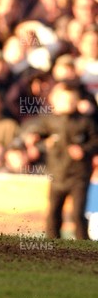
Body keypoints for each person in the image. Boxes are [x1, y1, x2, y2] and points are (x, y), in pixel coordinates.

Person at [26, 82, 98, 239]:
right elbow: (35, 137)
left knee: (77, 213)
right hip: (57, 174)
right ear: (55, 102)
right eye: (64, 101)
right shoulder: (49, 120)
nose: (68, 104)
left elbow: (95, 142)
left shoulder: (86, 121)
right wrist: (42, 144)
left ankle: (82, 245)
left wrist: (84, 150)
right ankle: (53, 243)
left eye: (72, 101)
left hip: (79, 176)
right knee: (53, 212)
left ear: (77, 101)